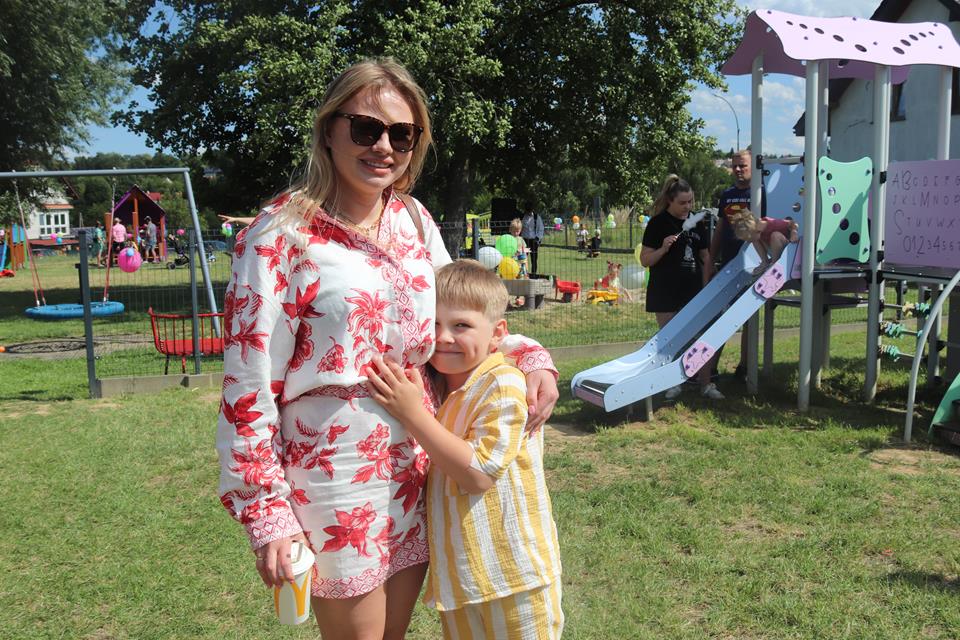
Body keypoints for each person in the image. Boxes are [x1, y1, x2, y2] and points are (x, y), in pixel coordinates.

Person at [215, 58, 560, 640]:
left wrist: (527, 354)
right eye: (365, 128)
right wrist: (267, 512)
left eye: (402, 134)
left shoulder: (413, 219)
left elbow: (461, 311)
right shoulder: (277, 236)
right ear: (329, 129)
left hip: (420, 465)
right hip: (334, 477)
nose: (383, 147)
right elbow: (247, 386)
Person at [364, 260, 563, 640]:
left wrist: (412, 414)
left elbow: (479, 474)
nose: (443, 337)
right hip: (462, 581)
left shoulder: (503, 383)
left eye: (461, 326)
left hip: (515, 578)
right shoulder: (441, 385)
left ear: (497, 333)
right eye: (434, 325)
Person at [640, 175, 723, 401]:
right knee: (670, 340)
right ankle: (672, 383)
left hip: (693, 290)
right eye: (683, 203)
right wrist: (663, 249)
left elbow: (705, 256)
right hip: (664, 290)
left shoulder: (697, 222)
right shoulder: (657, 224)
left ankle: (706, 384)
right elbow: (645, 260)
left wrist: (711, 280)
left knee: (702, 337)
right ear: (670, 200)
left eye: (690, 202)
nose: (688, 207)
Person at [709, 150, 766, 381]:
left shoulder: (761, 193)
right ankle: (711, 368)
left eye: (743, 165)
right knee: (722, 315)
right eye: (735, 166)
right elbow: (721, 227)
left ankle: (744, 367)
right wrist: (711, 259)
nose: (738, 170)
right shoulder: (728, 195)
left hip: (753, 263)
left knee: (748, 318)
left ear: (754, 166)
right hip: (729, 263)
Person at [730, 210, 798, 275]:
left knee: (775, 235)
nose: (748, 241)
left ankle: (774, 263)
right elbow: (754, 238)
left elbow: (793, 223)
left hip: (786, 250)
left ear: (755, 230)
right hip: (773, 250)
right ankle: (765, 262)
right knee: (755, 239)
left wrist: (793, 233)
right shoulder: (757, 231)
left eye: (748, 239)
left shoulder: (773, 224)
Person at [520, 202, 544, 274]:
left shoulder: (537, 217)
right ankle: (523, 273)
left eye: (529, 209)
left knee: (534, 259)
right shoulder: (522, 217)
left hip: (534, 241)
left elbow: (541, 228)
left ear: (532, 209)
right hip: (524, 240)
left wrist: (538, 238)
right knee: (522, 258)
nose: (528, 211)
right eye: (527, 210)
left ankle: (533, 274)